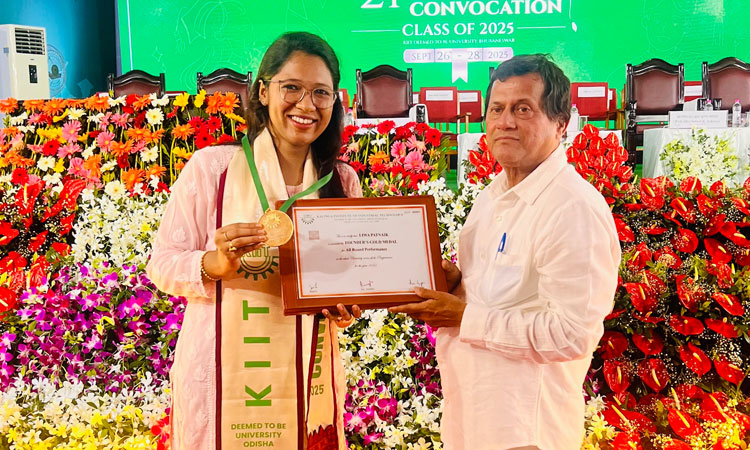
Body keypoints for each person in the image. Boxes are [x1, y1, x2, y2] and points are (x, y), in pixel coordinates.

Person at [391, 54, 621, 450]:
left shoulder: (572, 208)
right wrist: (457, 284)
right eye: (496, 109)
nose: (505, 122)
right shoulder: (493, 195)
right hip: (475, 419)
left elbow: (570, 335)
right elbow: (498, 294)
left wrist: (465, 316)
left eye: (523, 109)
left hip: (525, 431)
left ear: (561, 123)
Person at [147, 32, 362, 450]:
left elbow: (347, 282)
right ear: (263, 92)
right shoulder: (213, 169)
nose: (306, 105)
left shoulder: (342, 181)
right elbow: (162, 263)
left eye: (321, 92)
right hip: (223, 376)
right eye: (292, 88)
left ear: (335, 101)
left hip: (308, 374)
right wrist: (215, 264)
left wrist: (346, 306)